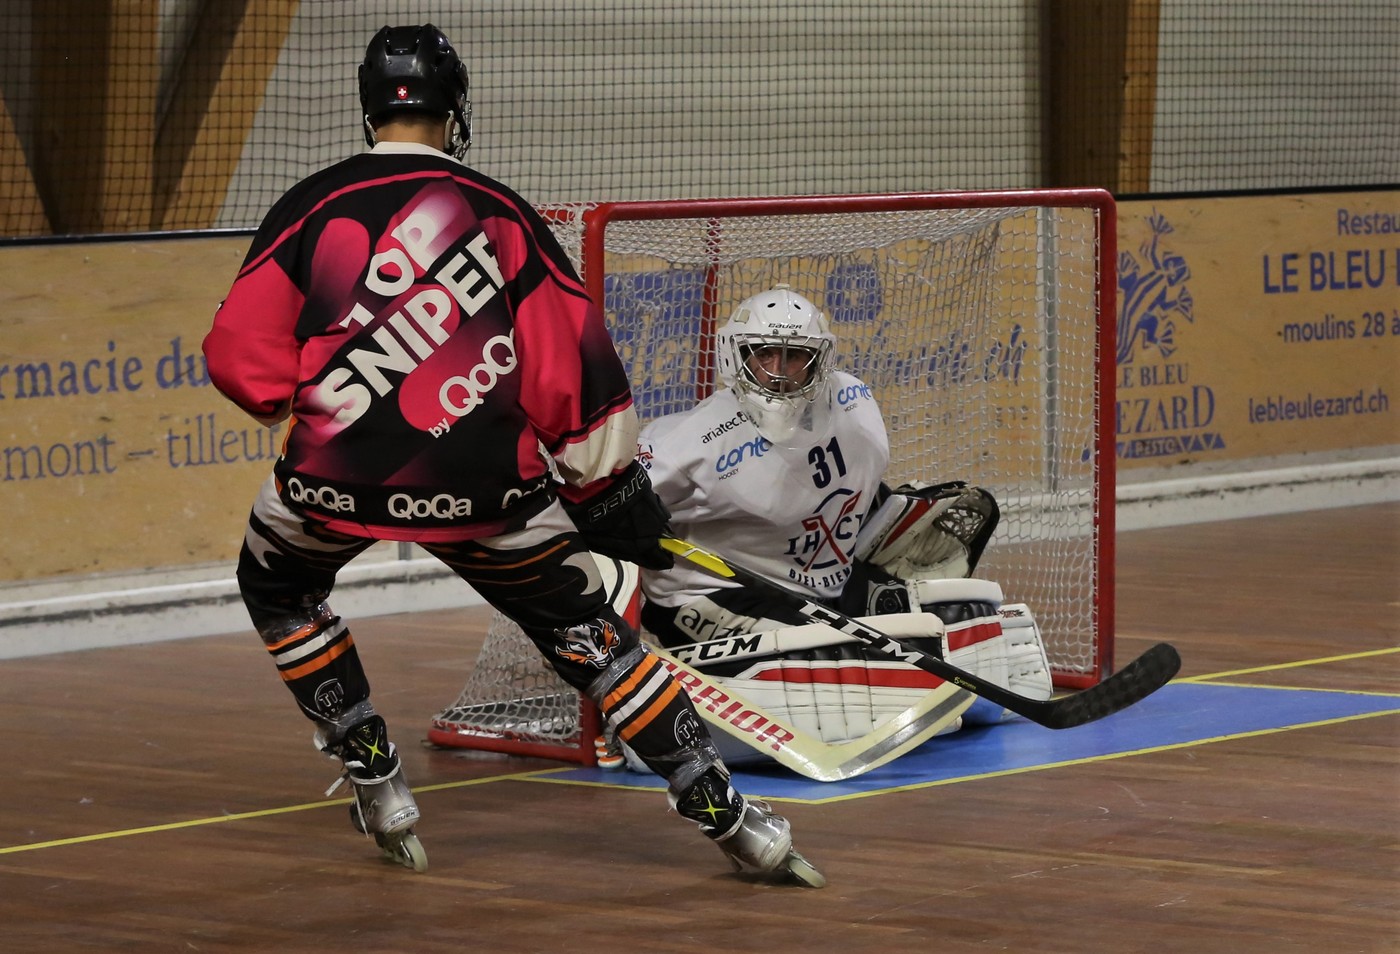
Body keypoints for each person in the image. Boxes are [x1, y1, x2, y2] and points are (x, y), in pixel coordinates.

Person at [201, 24, 822, 887]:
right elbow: (573, 363)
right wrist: (608, 488)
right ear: (455, 110)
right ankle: (734, 820)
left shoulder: (309, 205)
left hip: (333, 480)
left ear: (369, 106)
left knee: (276, 588)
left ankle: (369, 762)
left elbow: (241, 360)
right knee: (597, 644)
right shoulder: (500, 212)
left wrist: (325, 399)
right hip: (485, 492)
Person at [634, 285, 1052, 747]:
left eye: (795, 357)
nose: (778, 372)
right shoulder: (687, 445)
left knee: (961, 615)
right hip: (718, 596)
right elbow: (605, 522)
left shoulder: (853, 401)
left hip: (822, 586)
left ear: (820, 359)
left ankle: (956, 700)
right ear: (737, 356)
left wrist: (889, 527)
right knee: (846, 664)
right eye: (765, 354)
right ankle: (659, 711)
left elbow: (855, 493)